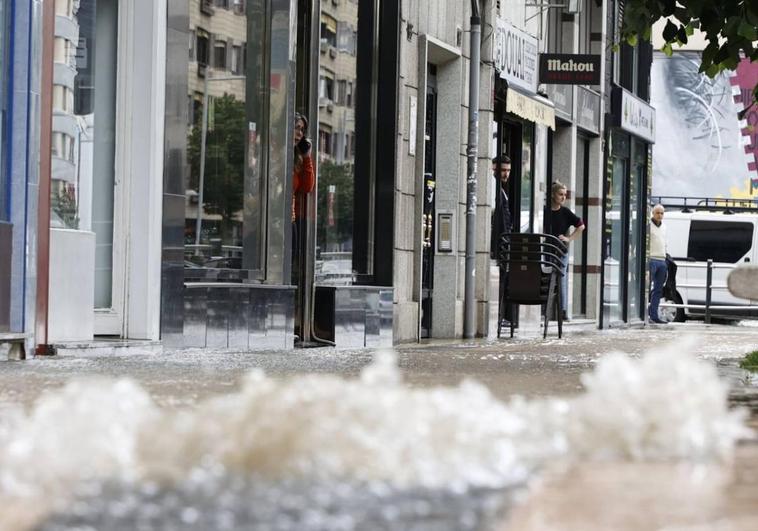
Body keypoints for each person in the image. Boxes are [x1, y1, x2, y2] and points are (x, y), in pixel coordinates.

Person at [547, 181, 585, 320]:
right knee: (546, 279)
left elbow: (581, 226)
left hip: (560, 252)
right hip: (546, 251)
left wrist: (569, 238)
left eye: (565, 195)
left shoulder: (565, 212)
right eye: (560, 194)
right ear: (552, 195)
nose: (563, 197)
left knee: (562, 280)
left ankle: (562, 311)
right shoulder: (544, 210)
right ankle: (544, 309)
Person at [490, 156, 513, 330]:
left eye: (508, 170)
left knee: (504, 280)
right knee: (501, 281)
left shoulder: (500, 190)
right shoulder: (494, 190)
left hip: (502, 244)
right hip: (498, 245)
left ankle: (501, 316)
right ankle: (499, 316)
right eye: (502, 170)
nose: (505, 174)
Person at [648, 204, 668, 324]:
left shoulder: (664, 227)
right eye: (657, 213)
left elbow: (665, 242)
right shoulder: (648, 226)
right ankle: (642, 314)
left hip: (662, 260)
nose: (660, 215)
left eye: (662, 213)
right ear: (653, 213)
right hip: (651, 259)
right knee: (645, 288)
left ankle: (654, 316)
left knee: (658, 290)